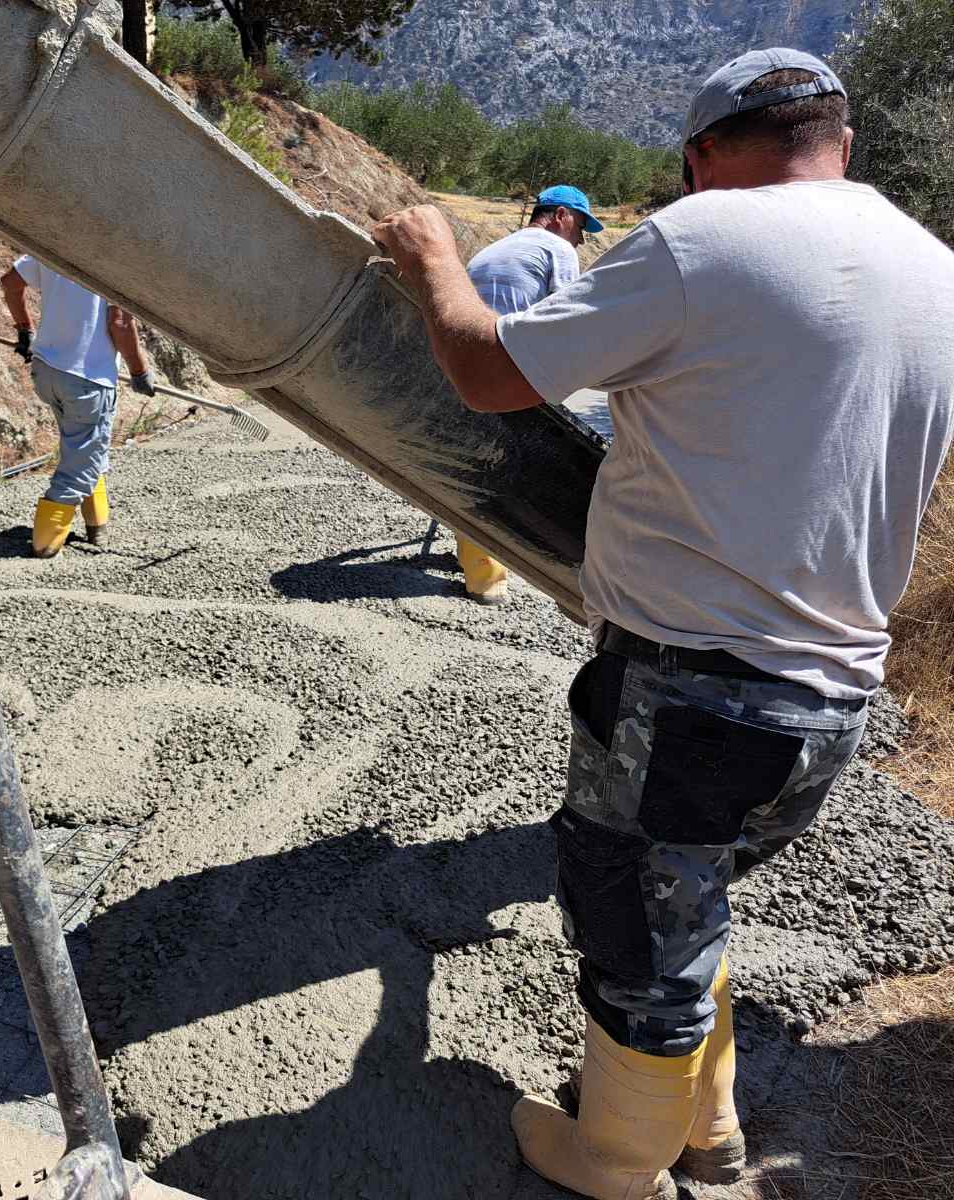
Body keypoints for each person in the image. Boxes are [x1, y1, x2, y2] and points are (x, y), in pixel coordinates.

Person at [373, 48, 954, 1200]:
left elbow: (494, 374)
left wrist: (436, 261)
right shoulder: (934, 268)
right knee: (686, 893)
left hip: (695, 690)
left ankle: (615, 1157)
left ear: (700, 156)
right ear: (841, 140)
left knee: (632, 917)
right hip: (832, 696)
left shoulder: (705, 240)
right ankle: (709, 1123)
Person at [454, 184, 602, 604]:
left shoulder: (501, 247)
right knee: (506, 467)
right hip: (505, 366)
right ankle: (489, 576)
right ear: (558, 216)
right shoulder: (557, 249)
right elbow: (571, 314)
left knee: (471, 459)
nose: (581, 238)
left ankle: (472, 555)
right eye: (579, 226)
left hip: (462, 359)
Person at [0, 255, 156, 557]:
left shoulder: (51, 245)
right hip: (87, 379)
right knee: (80, 460)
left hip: (47, 371)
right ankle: (45, 545)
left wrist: (24, 329)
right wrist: (139, 371)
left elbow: (10, 283)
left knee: (83, 449)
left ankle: (97, 527)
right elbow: (120, 323)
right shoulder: (114, 260)